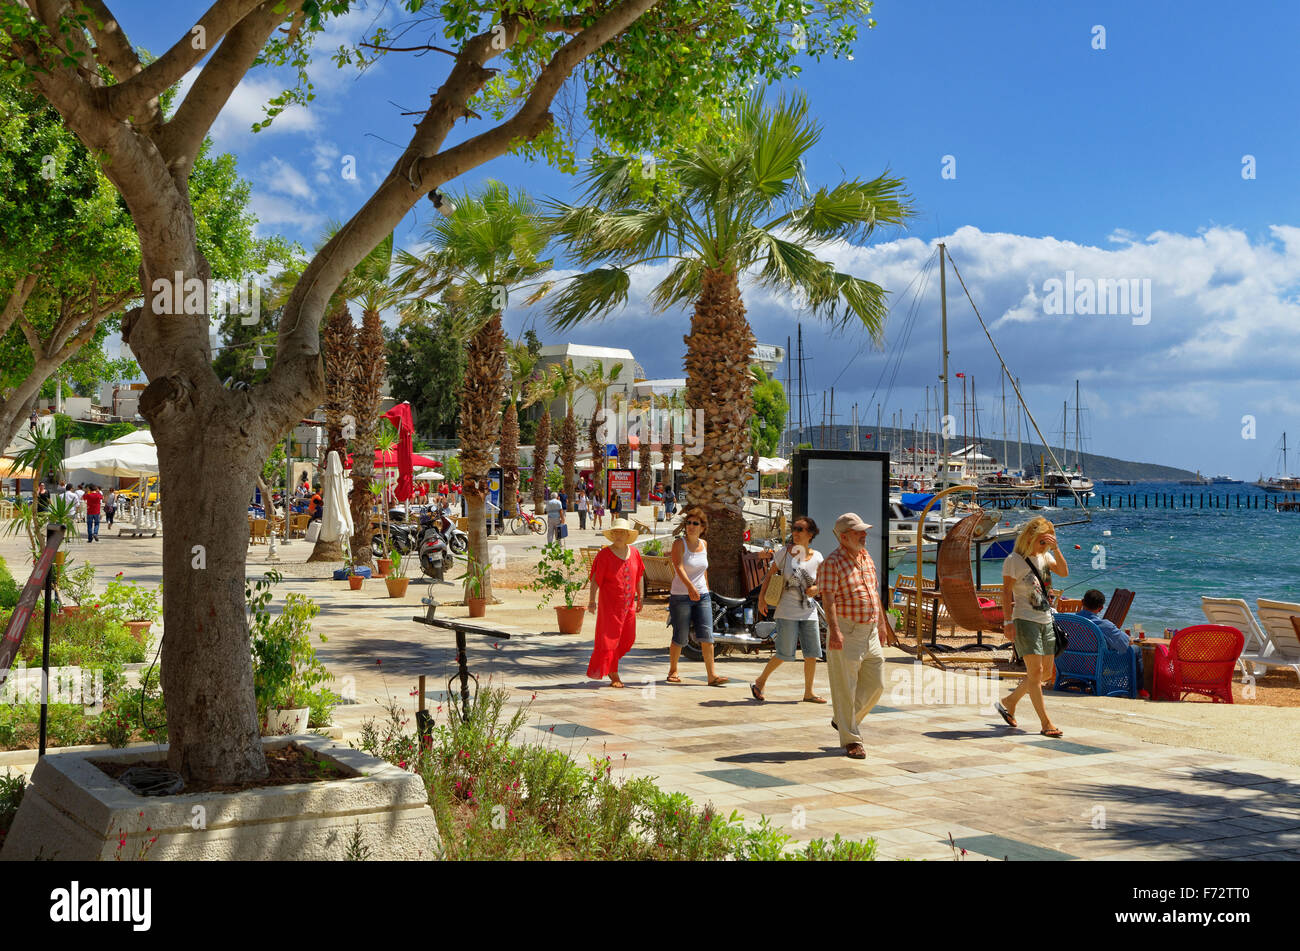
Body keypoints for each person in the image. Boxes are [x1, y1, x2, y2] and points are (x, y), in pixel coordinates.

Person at [819, 513, 896, 758]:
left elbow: (873, 594)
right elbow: (828, 599)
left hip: (870, 630)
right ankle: (852, 739)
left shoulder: (866, 557)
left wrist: (883, 625)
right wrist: (835, 632)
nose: (864, 535)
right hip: (847, 630)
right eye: (858, 532)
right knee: (845, 687)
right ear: (844, 537)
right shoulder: (832, 563)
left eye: (864, 530)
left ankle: (843, 721)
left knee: (876, 684)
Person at [996, 516, 1069, 738]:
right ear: (1029, 537)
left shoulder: (1046, 556)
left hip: (1046, 620)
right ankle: (1046, 723)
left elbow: (1064, 573)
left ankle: (1009, 701)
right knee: (1035, 673)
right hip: (1024, 620)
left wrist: (1056, 549)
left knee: (1046, 672)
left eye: (1047, 542)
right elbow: (1006, 591)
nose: (1043, 546)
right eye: (1041, 541)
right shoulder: (1014, 560)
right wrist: (1008, 622)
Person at [752, 517, 826, 703]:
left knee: (812, 653)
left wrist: (815, 589)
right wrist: (761, 598)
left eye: (800, 529)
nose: (795, 532)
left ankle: (809, 692)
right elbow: (768, 577)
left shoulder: (817, 557)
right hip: (786, 611)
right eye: (794, 528)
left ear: (810, 534)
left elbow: (824, 583)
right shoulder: (784, 553)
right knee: (784, 653)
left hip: (809, 611)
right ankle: (760, 681)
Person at [665, 507, 727, 687]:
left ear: (702, 527)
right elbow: (678, 567)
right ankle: (673, 670)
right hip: (681, 595)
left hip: (702, 596)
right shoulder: (679, 544)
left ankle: (712, 676)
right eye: (688, 523)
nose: (691, 526)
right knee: (681, 636)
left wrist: (705, 590)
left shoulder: (704, 544)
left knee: (707, 635)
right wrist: (690, 588)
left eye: (695, 523)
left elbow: (704, 570)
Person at [585, 518, 645, 687]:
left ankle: (609, 663)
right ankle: (613, 672)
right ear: (612, 535)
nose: (618, 535)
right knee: (609, 640)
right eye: (616, 532)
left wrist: (640, 596)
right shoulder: (604, 555)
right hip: (610, 606)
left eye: (622, 532)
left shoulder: (634, 553)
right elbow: (596, 580)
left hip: (628, 606)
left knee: (628, 638)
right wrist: (591, 601)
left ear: (627, 535)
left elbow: (639, 574)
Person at [1078, 589, 1143, 686]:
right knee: (1136, 649)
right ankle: (1139, 689)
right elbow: (1126, 643)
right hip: (1097, 666)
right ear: (1101, 608)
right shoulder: (1104, 626)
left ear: (1082, 602)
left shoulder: (1067, 619)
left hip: (1072, 664)